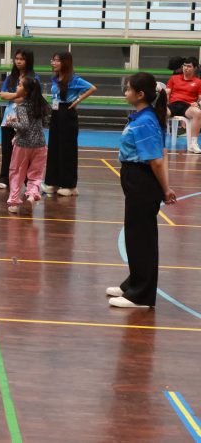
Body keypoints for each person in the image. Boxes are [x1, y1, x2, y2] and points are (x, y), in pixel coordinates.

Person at [108, 73, 177, 309]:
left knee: (142, 238)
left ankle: (141, 295)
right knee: (134, 234)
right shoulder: (141, 117)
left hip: (142, 181)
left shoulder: (146, 121)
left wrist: (166, 189)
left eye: (128, 89)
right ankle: (134, 283)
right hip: (134, 178)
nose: (125, 92)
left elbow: (156, 160)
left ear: (140, 94)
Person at [44, 52, 96, 197]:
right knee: (54, 148)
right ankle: (53, 182)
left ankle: (69, 185)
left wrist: (78, 100)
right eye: (53, 60)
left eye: (57, 60)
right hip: (55, 113)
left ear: (65, 62)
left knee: (67, 150)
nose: (53, 63)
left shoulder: (74, 79)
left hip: (67, 113)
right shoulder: (56, 78)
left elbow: (92, 88)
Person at [4, 77, 49, 214]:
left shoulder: (22, 107)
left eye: (19, 85)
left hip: (23, 145)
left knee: (16, 172)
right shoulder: (41, 105)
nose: (17, 87)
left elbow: (24, 126)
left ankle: (14, 202)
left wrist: (10, 122)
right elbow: (41, 123)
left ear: (26, 91)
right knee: (36, 174)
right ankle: (31, 195)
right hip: (40, 144)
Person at [0, 49, 36, 189]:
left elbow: (30, 97)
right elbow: (2, 95)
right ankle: (4, 178)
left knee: (25, 151)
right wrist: (17, 95)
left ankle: (28, 180)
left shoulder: (34, 78)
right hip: (9, 117)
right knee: (7, 150)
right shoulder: (10, 78)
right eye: (17, 58)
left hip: (25, 118)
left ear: (28, 61)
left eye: (22, 59)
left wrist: (13, 95)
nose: (18, 61)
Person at [166, 56, 201, 153]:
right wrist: (164, 101)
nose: (186, 68)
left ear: (195, 68)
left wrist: (198, 104)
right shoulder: (174, 78)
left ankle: (193, 144)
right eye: (184, 66)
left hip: (187, 106)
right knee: (160, 112)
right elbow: (167, 92)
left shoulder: (198, 82)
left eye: (189, 66)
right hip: (173, 104)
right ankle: (156, 142)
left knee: (198, 113)